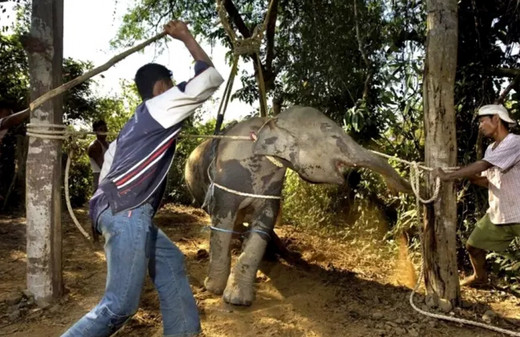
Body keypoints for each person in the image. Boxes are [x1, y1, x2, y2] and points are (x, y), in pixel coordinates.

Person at [61, 20, 224, 337]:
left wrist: (104, 216)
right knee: (119, 306)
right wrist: (186, 36)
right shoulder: (160, 105)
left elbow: (105, 177)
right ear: (162, 87)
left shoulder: (129, 129)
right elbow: (209, 78)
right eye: (171, 84)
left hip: (118, 210)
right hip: (129, 212)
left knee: (171, 261)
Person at [433, 104, 520, 288]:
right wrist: (467, 176)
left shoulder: (515, 142)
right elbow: (487, 181)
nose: (480, 126)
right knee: (474, 245)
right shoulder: (491, 149)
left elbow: (483, 165)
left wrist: (450, 176)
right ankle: (480, 278)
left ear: (496, 120)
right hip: (499, 213)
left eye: (482, 121)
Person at [87, 120, 109, 191]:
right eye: (101, 129)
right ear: (95, 131)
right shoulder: (94, 146)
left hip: (109, 176)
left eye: (105, 129)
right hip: (100, 176)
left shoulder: (109, 144)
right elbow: (103, 165)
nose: (104, 131)